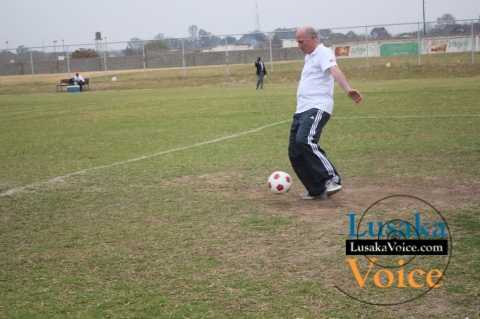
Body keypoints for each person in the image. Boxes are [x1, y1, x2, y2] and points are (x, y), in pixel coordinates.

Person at [289, 26, 362, 200]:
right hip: (302, 109)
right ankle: (316, 189)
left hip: (317, 107)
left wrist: (348, 89)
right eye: (297, 41)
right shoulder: (309, 57)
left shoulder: (322, 52)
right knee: (295, 152)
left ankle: (332, 179)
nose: (298, 45)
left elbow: (334, 70)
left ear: (313, 38)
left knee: (305, 140)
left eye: (301, 41)